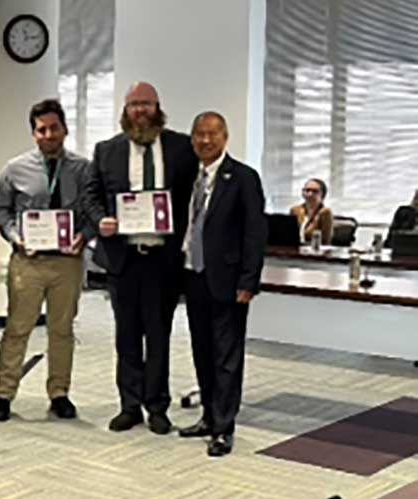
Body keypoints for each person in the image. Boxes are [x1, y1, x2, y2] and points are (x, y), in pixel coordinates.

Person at [82, 82, 198, 435]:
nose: (140, 111)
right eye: (134, 105)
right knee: (127, 335)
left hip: (163, 259)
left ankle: (157, 406)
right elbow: (91, 195)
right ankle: (129, 405)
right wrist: (100, 219)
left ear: (158, 106)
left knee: (159, 334)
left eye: (146, 104)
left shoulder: (181, 148)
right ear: (125, 109)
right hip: (124, 258)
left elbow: (197, 192)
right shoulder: (107, 150)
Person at [0, 98, 95, 422]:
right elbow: (2, 210)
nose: (48, 134)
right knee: (17, 328)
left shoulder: (83, 168)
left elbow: (93, 210)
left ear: (64, 128)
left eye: (54, 128)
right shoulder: (15, 168)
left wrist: (85, 234)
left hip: (68, 263)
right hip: (28, 262)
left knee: (61, 330)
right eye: (41, 129)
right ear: (33, 133)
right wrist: (15, 236)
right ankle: (4, 393)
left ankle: (59, 393)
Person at [177, 111, 268, 457]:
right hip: (194, 275)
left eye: (212, 134)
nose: (205, 140)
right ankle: (207, 416)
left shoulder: (243, 178)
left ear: (225, 137)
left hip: (229, 282)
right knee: (202, 350)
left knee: (226, 355)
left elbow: (255, 234)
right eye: (199, 134)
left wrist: (249, 280)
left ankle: (224, 427)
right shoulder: (189, 177)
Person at [290, 178, 333, 245]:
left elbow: (326, 241)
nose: (310, 194)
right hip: (294, 249)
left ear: (322, 194)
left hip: (314, 251)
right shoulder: (295, 210)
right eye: (307, 190)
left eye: (315, 191)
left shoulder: (325, 212)